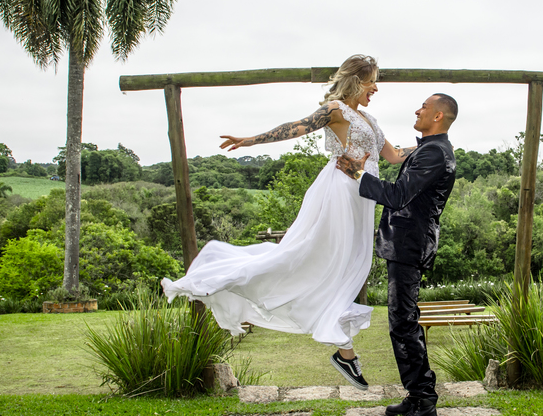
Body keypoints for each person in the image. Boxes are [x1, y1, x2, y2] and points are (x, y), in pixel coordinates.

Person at [160, 55, 415, 391]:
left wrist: (431, 146)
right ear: (356, 80)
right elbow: (295, 127)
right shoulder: (336, 109)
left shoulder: (370, 118)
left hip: (363, 197)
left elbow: (394, 155)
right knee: (313, 258)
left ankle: (345, 353)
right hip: (340, 190)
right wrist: (250, 140)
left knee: (352, 267)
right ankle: (220, 279)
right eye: (372, 82)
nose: (376, 88)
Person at [336, 92, 457, 416]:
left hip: (409, 245)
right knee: (404, 322)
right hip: (403, 245)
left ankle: (424, 408)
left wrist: (357, 173)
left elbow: (397, 195)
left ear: (437, 116)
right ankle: (416, 395)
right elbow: (395, 159)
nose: (417, 110)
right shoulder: (429, 148)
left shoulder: (435, 152)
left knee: (403, 324)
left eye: (424, 107)